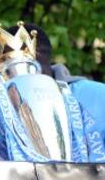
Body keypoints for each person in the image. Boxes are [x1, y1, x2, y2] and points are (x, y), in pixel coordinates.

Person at [7, 23, 105, 162]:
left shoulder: (97, 96)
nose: (11, 74)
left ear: (36, 54)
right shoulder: (6, 108)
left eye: (14, 64)